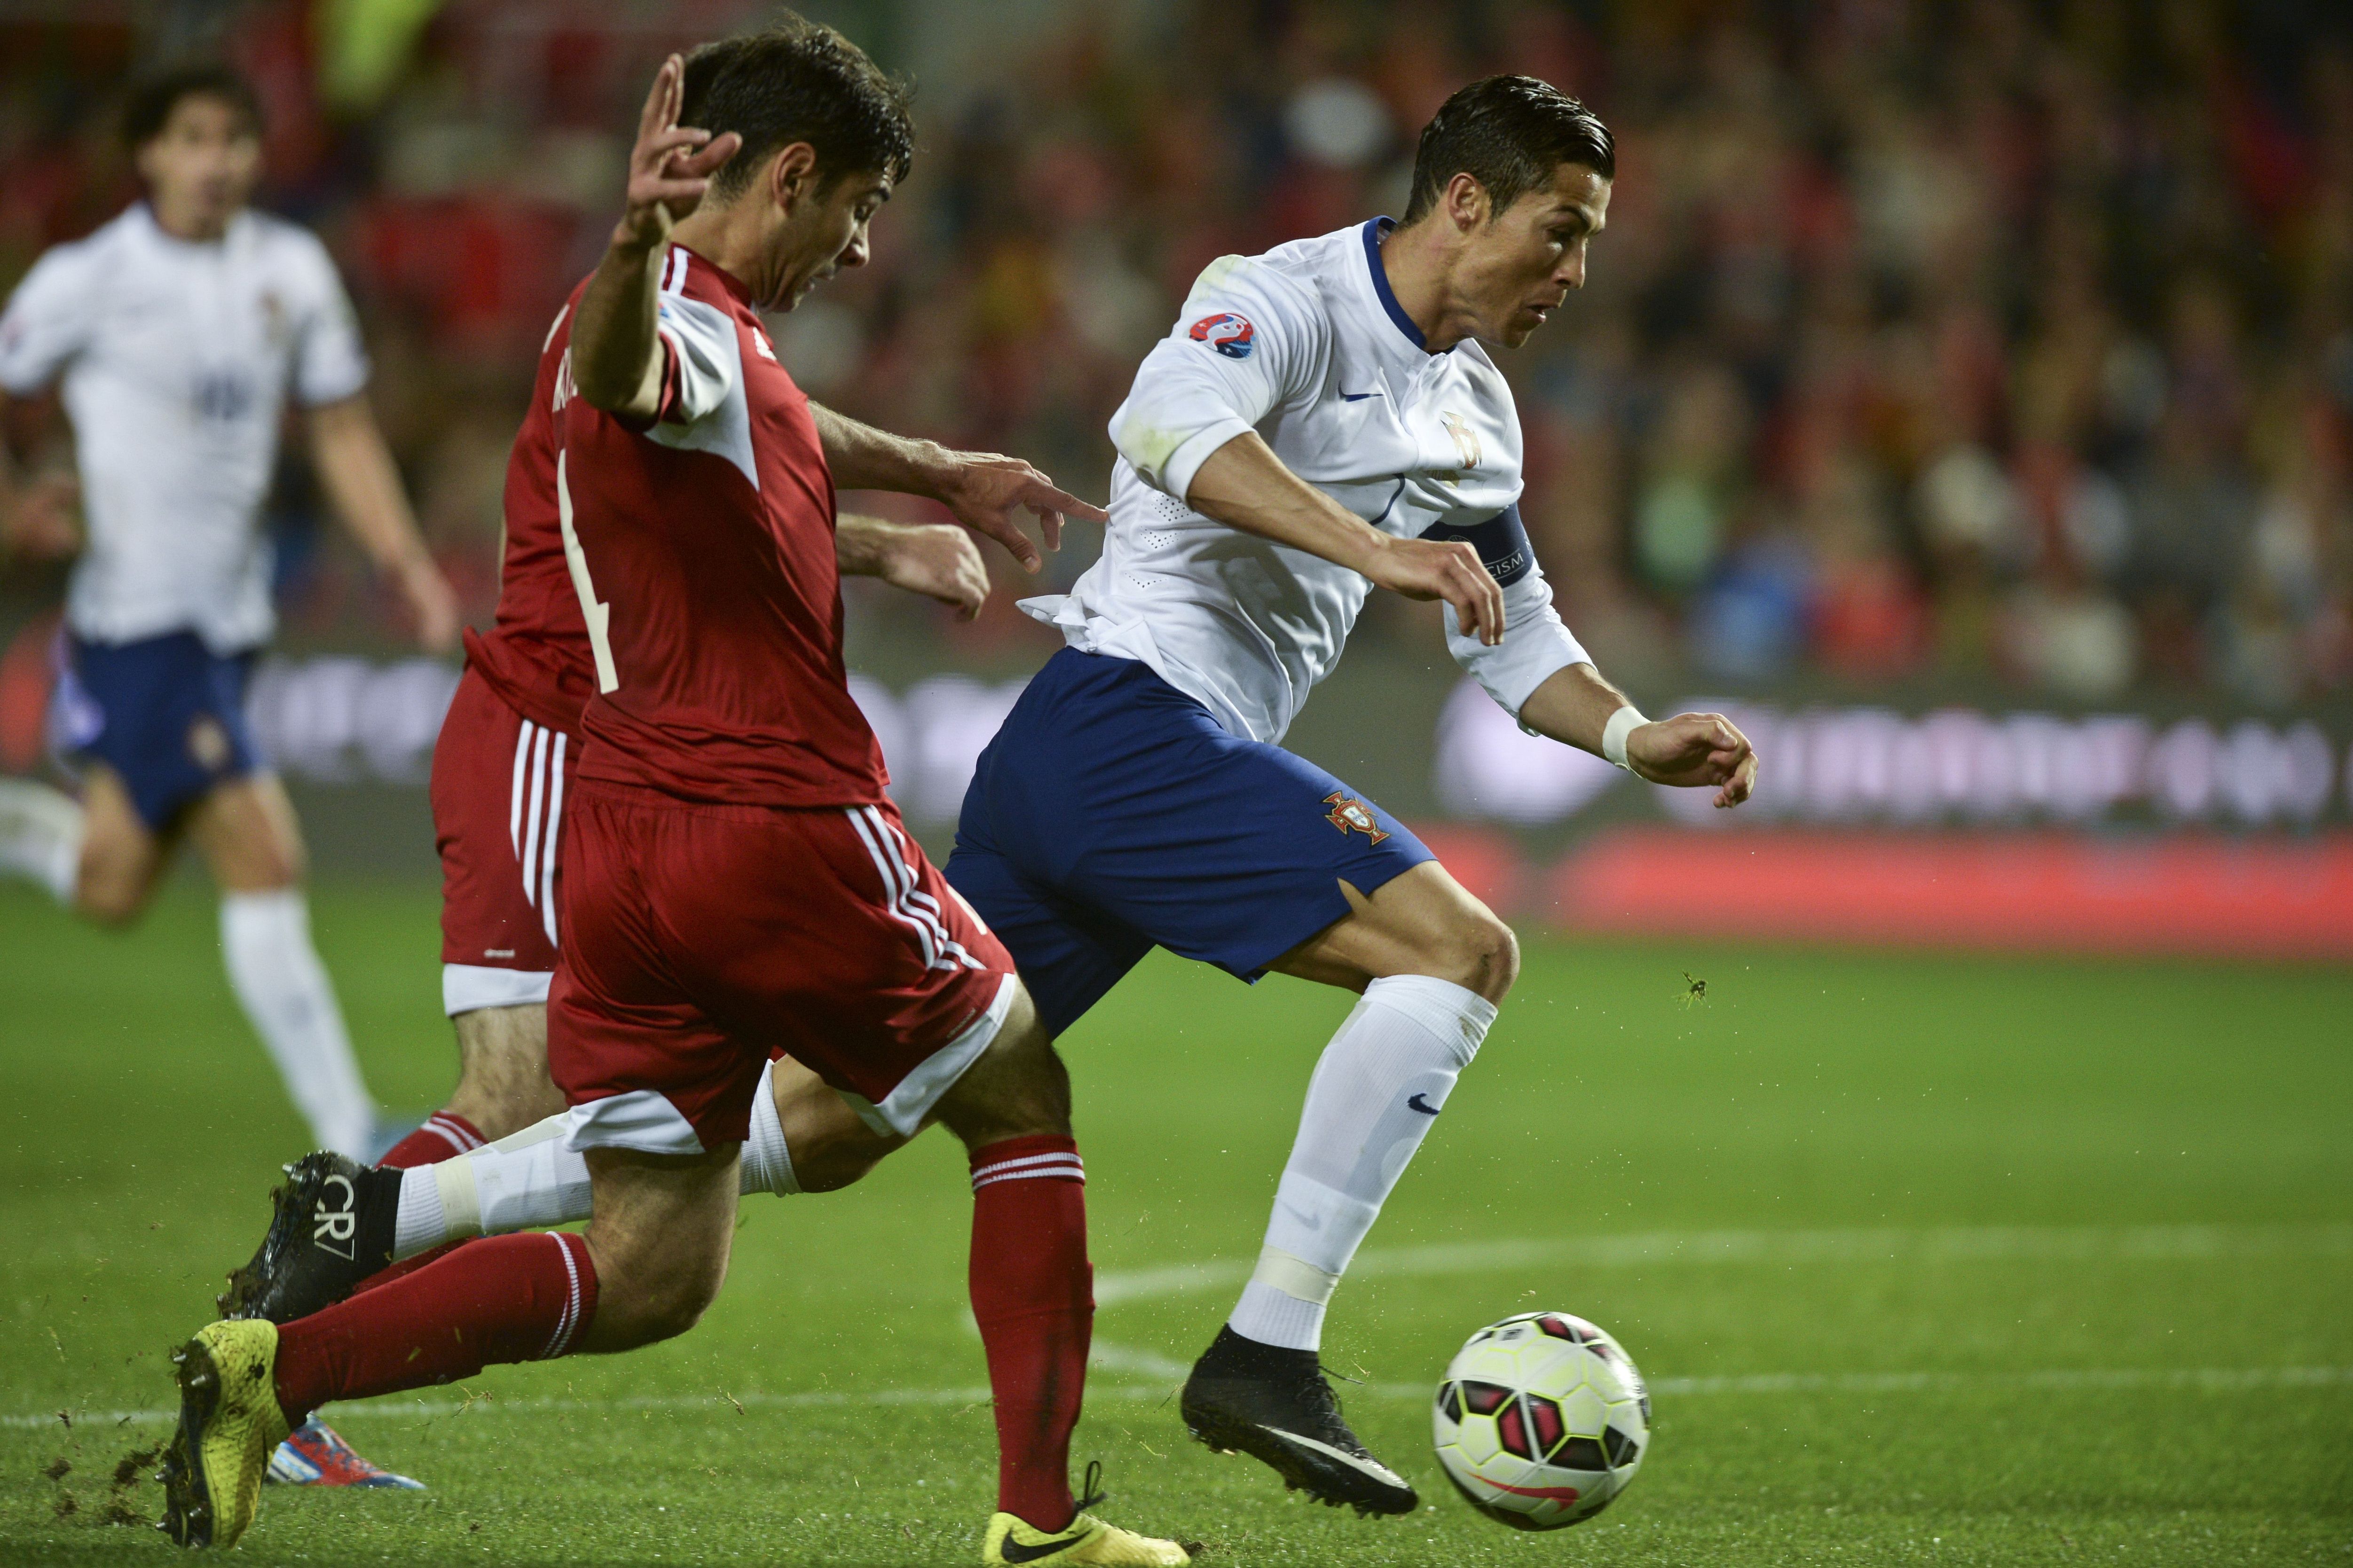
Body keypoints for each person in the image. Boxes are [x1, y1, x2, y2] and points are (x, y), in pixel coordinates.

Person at [220, 71, 1761, 1526]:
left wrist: (1629, 739)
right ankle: (1263, 1354)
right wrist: (1372, 555)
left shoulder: (1473, 411)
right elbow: (1164, 431)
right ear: (1468, 205)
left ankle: (384, 1212)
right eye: (1564, 230)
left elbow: (1517, 621)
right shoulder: (1276, 296)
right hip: (1128, 728)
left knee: (822, 1124)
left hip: (1098, 774)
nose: (1575, 269)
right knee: (1459, 950)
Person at [161, 27, 1187, 1566]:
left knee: (655, 1265)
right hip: (765, 813)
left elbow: (739, 418)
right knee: (1018, 1089)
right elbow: (631, 371)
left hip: (634, 844)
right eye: (852, 206)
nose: (858, 245)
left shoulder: (728, 346)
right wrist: (642, 238)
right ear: (787, 175)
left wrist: (927, 485)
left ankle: (278, 1368)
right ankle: (1042, 1525)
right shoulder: (656, 321)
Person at [0, 63, 455, 1169]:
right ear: (149, 153)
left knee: (113, 885)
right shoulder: (88, 278)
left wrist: (402, 558)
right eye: (193, 138)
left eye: (236, 140)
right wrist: (17, 502)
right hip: (140, 624)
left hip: (230, 624)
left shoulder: (289, 271)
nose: (217, 162)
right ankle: (352, 1137)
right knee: (266, 855)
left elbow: (341, 427)